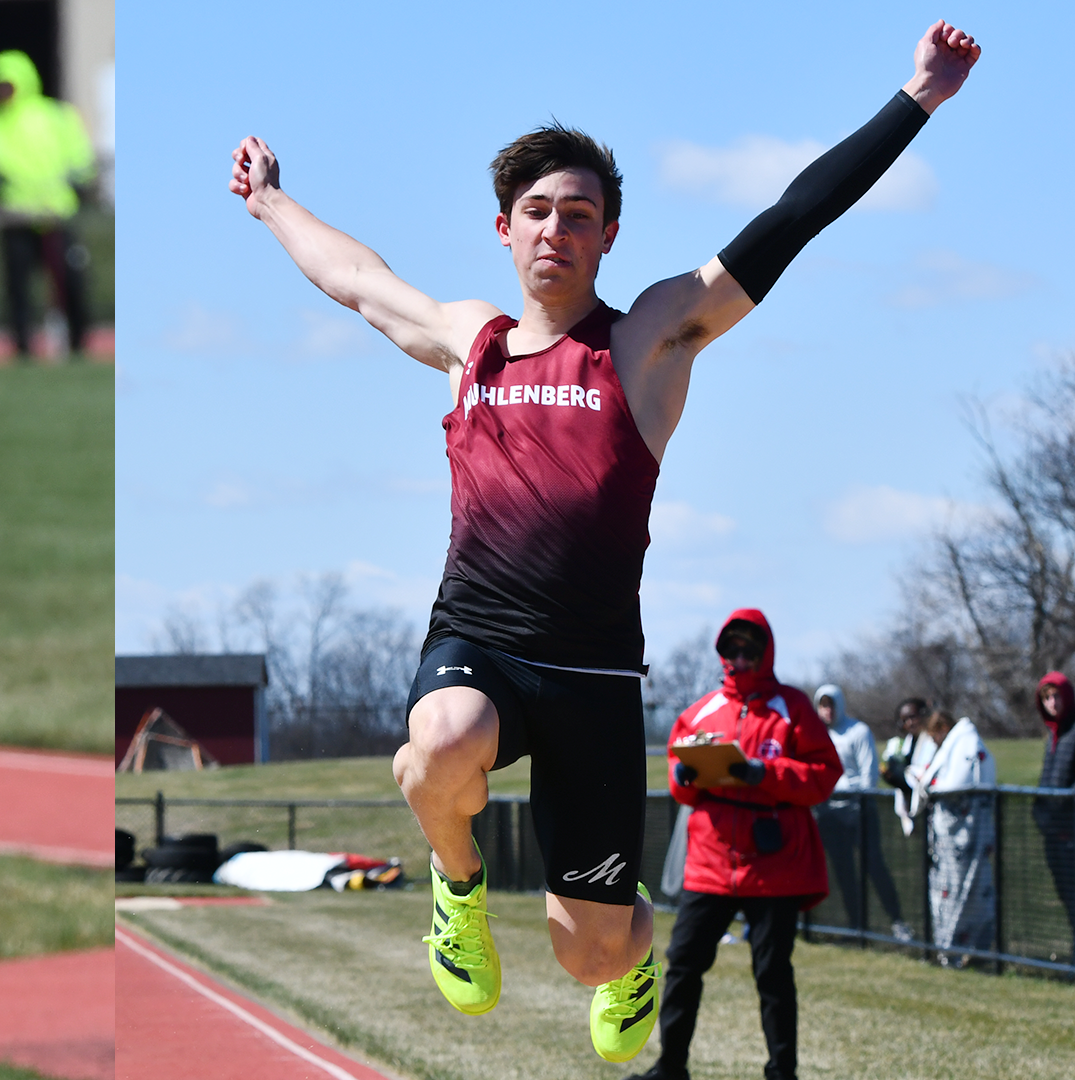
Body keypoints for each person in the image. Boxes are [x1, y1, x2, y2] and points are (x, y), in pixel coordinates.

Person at [229, 18, 977, 1064]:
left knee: (586, 954)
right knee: (434, 745)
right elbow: (355, 279)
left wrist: (918, 99)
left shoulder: (649, 339)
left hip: (590, 673)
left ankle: (628, 957)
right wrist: (268, 203)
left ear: (607, 235)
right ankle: (457, 886)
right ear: (503, 228)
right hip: (477, 640)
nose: (555, 231)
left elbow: (790, 219)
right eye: (536, 212)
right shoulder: (470, 342)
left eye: (578, 215)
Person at [627, 612, 839, 1080]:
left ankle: (782, 1071)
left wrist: (765, 774)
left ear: (766, 653)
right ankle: (670, 1067)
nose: (740, 658)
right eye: (733, 649)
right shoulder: (702, 711)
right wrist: (684, 776)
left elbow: (825, 776)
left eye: (750, 649)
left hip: (773, 863)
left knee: (772, 973)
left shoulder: (793, 708)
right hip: (711, 861)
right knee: (682, 964)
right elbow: (680, 783)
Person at [0, 49, 97, 360]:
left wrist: (80, 183)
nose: (2, 92)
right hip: (13, 217)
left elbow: (80, 158)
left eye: (8, 84)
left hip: (57, 213)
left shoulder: (57, 116)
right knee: (17, 288)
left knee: (70, 281)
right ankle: (22, 347)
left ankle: (78, 344)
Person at [811, 683, 910, 940]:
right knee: (844, 873)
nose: (827, 710)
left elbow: (868, 774)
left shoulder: (858, 731)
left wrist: (856, 801)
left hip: (860, 812)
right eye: (823, 705)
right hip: (831, 816)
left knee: (874, 867)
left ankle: (897, 921)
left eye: (831, 704)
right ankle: (855, 926)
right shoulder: (817, 735)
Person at [909, 711, 995, 967]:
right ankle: (950, 948)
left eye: (935, 736)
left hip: (967, 838)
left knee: (968, 890)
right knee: (950, 891)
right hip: (950, 842)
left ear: (943, 728)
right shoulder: (957, 743)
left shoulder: (967, 743)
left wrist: (929, 785)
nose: (935, 742)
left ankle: (968, 949)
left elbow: (957, 783)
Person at [1033, 672, 1075, 945]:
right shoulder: (1054, 736)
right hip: (1055, 838)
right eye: (1046, 697)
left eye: (1057, 695)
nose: (1052, 702)